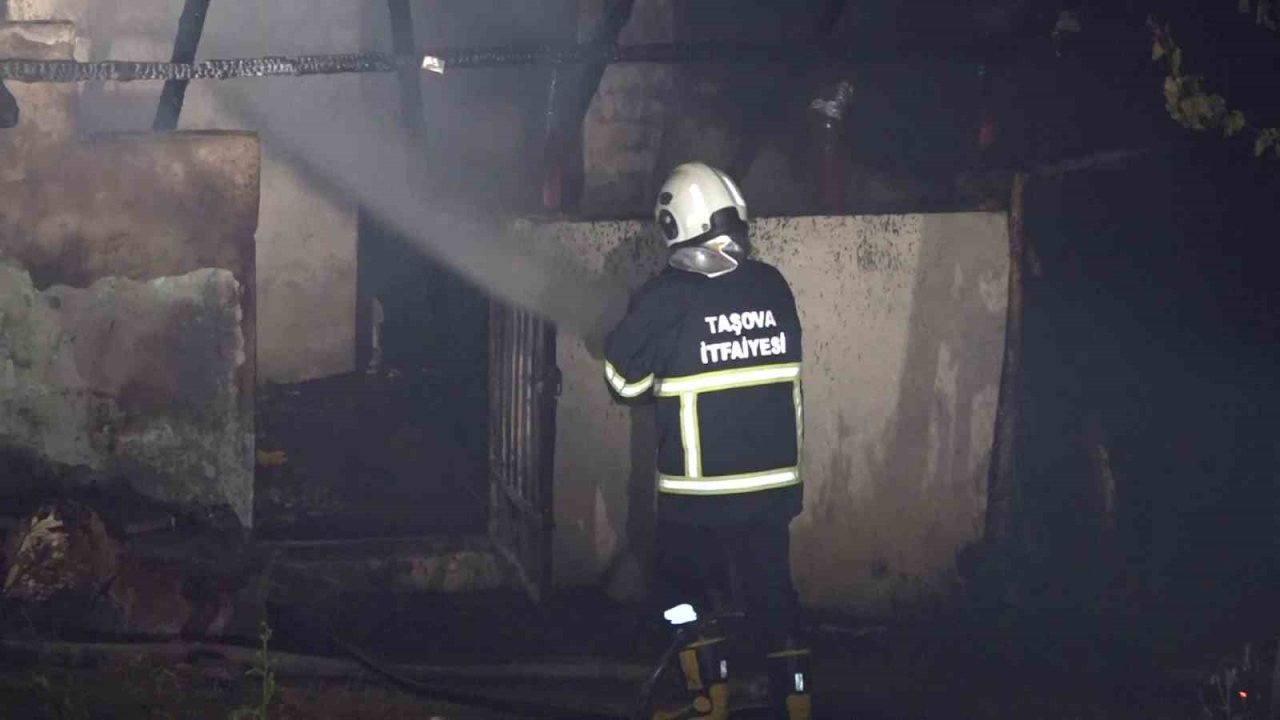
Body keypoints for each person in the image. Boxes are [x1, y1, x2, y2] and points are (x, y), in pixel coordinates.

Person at [604, 162, 810, 720]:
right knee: (774, 596)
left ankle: (706, 702)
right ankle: (796, 704)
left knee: (681, 597)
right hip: (773, 488)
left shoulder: (667, 296)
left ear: (674, 223)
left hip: (699, 493)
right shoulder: (774, 284)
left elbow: (623, 383)